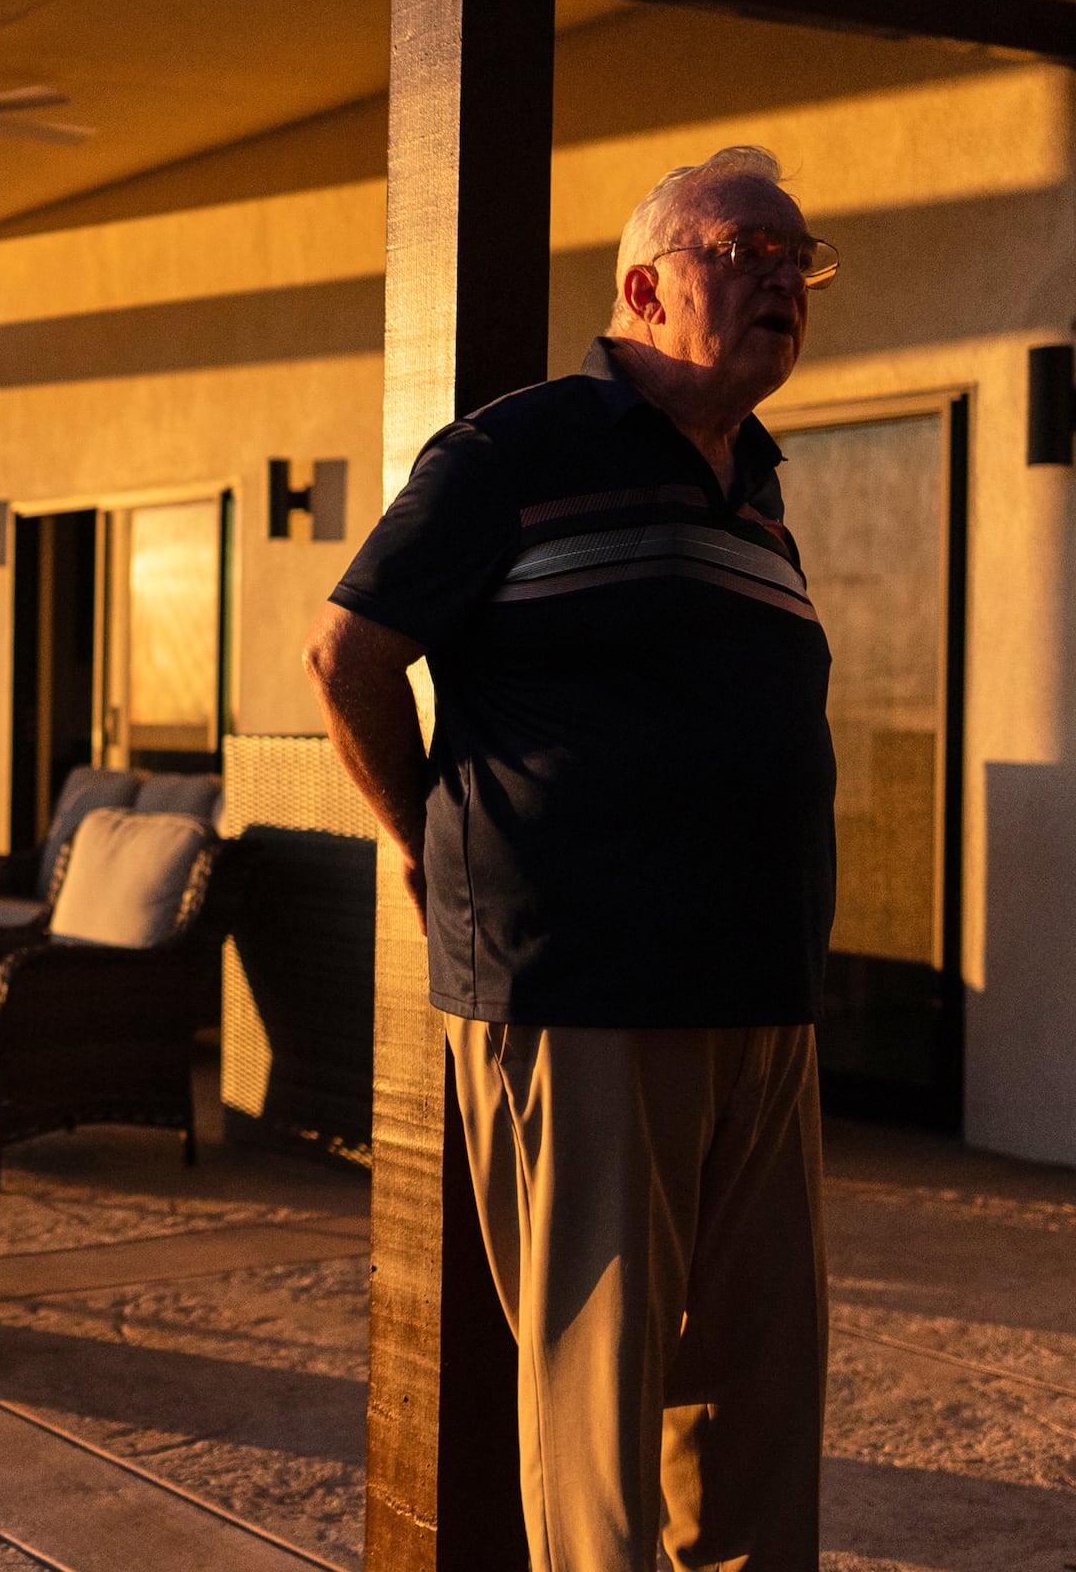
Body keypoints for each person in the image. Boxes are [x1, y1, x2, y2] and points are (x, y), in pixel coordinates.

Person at [305, 145, 839, 1572]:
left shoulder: (759, 480)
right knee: (601, 1398)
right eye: (747, 252)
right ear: (645, 288)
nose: (785, 277)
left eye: (802, 259)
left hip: (759, 987)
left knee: (759, 1388)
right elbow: (349, 652)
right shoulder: (516, 452)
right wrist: (422, 841)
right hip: (584, 988)